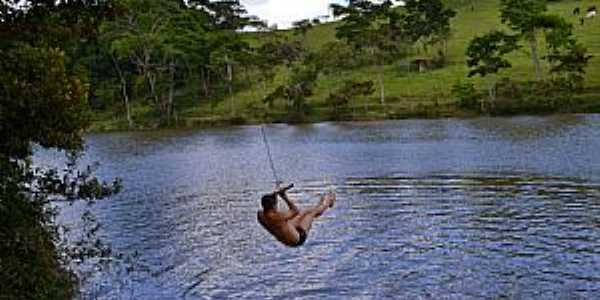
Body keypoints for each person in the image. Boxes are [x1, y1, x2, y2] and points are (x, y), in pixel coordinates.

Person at [257, 185, 335, 247]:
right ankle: (328, 202)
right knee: (312, 213)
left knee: (305, 211)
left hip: (289, 228)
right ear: (274, 206)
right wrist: (284, 197)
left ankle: (321, 204)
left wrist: (275, 194)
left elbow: (268, 203)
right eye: (276, 204)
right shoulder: (278, 218)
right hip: (297, 238)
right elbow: (295, 211)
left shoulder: (260, 215)